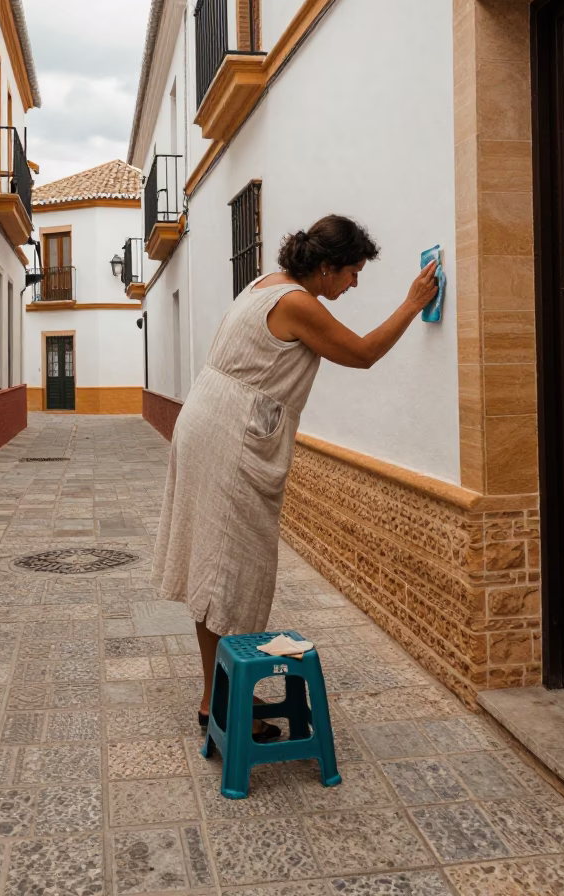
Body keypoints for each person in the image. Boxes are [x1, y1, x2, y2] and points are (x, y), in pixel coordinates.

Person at [151, 215, 438, 738]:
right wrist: (413, 303)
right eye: (351, 273)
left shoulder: (264, 284)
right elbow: (363, 354)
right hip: (231, 436)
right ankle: (223, 703)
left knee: (215, 563)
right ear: (325, 268)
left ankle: (213, 697)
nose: (353, 285)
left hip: (210, 420)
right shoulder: (298, 303)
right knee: (232, 569)